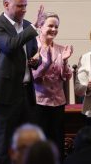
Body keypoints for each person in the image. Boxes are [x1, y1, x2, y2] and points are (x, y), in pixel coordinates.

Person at [0, 0, 43, 164]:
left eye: (25, 6)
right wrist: (33, 29)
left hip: (26, 94)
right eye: (20, 6)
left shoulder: (27, 25)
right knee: (3, 146)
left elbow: (32, 55)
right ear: (6, 5)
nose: (24, 10)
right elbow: (10, 45)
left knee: (28, 145)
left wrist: (35, 61)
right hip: (5, 95)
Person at [32, 11, 73, 159]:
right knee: (40, 144)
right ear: (40, 26)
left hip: (57, 102)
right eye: (50, 26)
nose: (54, 30)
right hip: (38, 102)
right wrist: (46, 65)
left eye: (56, 27)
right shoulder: (31, 47)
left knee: (57, 142)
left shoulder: (61, 49)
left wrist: (65, 61)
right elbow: (32, 77)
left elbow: (67, 76)